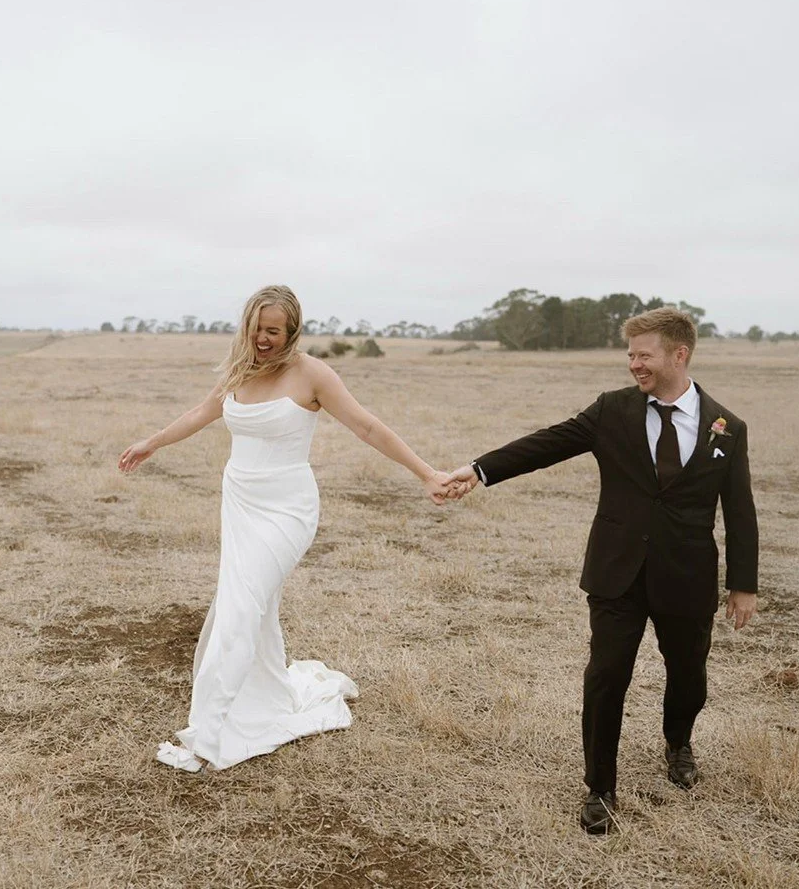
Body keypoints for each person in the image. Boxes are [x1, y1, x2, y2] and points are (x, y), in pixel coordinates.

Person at [118, 285, 459, 772]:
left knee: (241, 609)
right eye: (256, 329)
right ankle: (258, 699)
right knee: (248, 608)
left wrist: (426, 474)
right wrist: (152, 443)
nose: (263, 339)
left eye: (273, 331)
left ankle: (208, 735)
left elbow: (366, 427)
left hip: (287, 510)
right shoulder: (239, 369)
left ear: (292, 331)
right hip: (240, 502)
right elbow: (201, 413)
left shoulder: (312, 374)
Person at [447, 306, 758, 834]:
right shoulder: (612, 410)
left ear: (679, 355)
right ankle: (600, 788)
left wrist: (743, 584)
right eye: (630, 354)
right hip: (617, 573)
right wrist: (479, 470)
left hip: (687, 577)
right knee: (606, 675)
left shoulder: (726, 428)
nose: (634, 364)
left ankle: (678, 743)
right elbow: (549, 443)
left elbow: (740, 509)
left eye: (644, 355)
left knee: (689, 676)